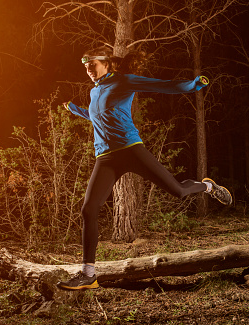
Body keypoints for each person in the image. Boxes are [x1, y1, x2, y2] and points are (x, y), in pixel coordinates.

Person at [57, 46, 232, 290]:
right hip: (105, 157)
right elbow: (95, 117)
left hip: (130, 150)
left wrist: (193, 85)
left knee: (178, 191)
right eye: (85, 65)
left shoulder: (123, 81)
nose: (88, 69)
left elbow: (162, 85)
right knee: (88, 210)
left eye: (92, 64)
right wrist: (73, 109)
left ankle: (207, 186)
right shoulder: (94, 92)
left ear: (106, 64)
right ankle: (88, 274)